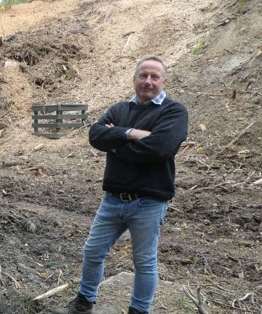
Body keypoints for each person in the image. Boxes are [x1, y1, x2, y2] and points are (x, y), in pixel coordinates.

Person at [52, 55, 188, 314]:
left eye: (154, 77)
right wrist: (130, 134)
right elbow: (95, 135)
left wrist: (114, 144)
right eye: (143, 75)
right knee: (92, 252)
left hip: (149, 202)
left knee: (144, 262)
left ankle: (138, 311)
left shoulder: (174, 111)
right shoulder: (119, 109)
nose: (147, 81)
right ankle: (84, 303)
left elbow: (159, 148)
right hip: (113, 199)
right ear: (135, 78)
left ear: (164, 81)